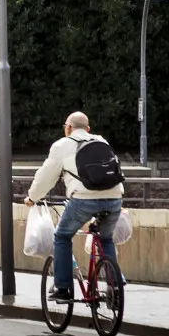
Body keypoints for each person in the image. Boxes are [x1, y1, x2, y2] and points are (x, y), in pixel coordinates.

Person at [26, 110, 125, 302]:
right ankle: (115, 285)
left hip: (83, 199)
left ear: (68, 128)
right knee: (106, 239)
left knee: (62, 236)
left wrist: (32, 197)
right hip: (114, 197)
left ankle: (63, 288)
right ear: (88, 129)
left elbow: (46, 177)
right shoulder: (102, 141)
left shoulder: (62, 145)